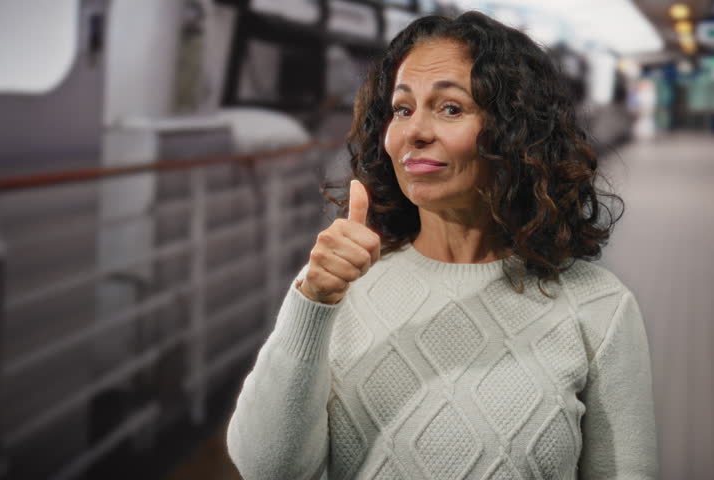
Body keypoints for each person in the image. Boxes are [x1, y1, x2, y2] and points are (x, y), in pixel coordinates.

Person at [226, 11, 657, 480]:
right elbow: (266, 469)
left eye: (450, 108)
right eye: (402, 109)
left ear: (517, 133)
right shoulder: (336, 287)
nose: (415, 132)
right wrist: (311, 302)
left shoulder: (599, 308)